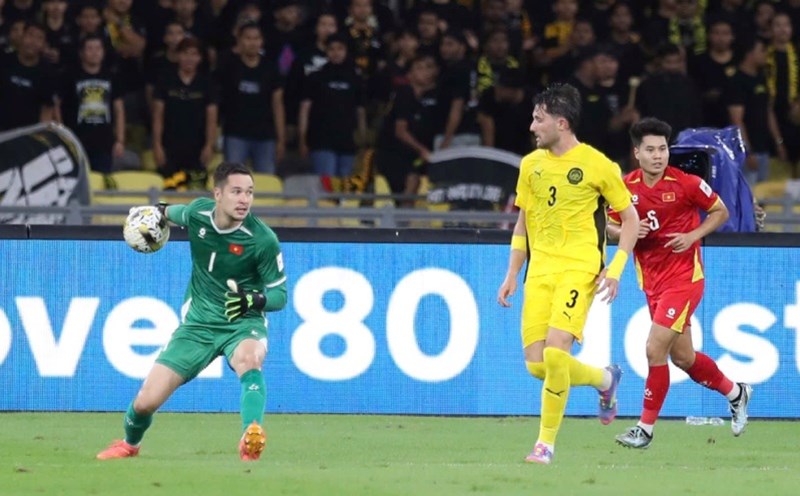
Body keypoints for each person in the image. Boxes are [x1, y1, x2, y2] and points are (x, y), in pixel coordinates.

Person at [96, 161, 288, 461]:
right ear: (218, 195)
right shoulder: (197, 214)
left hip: (242, 321)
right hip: (198, 324)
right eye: (236, 192)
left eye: (249, 192)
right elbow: (169, 210)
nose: (244, 199)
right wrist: (151, 213)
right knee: (146, 401)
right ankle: (129, 444)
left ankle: (251, 434)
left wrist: (254, 300)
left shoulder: (262, 240)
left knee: (250, 360)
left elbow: (280, 295)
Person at [496, 83, 640, 465]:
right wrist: (512, 274)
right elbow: (522, 225)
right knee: (536, 365)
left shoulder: (598, 165)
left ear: (561, 123)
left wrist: (617, 269)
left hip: (580, 269)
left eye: (538, 119)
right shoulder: (530, 165)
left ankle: (545, 445)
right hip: (539, 271)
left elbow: (631, 219)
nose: (532, 126)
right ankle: (606, 380)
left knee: (557, 354)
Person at [609, 117, 752, 449]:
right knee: (683, 358)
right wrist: (626, 231)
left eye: (663, 149)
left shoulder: (686, 183)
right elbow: (608, 227)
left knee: (653, 349)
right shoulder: (625, 189)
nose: (658, 156)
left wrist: (693, 235)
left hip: (685, 278)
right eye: (651, 150)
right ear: (637, 153)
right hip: (653, 282)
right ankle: (737, 392)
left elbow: (720, 211)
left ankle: (644, 430)